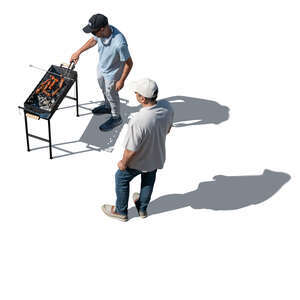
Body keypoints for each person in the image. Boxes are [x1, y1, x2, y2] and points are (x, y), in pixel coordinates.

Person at [102, 78, 174, 221]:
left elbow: (131, 149)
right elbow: (168, 130)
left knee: (121, 178)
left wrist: (123, 163)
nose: (135, 94)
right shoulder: (167, 107)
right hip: (156, 156)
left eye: (136, 93)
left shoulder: (139, 119)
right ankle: (142, 208)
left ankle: (121, 211)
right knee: (148, 178)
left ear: (142, 98)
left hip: (138, 161)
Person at [70, 14, 133, 131]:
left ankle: (116, 117)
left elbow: (129, 63)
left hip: (113, 73)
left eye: (93, 32)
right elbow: (93, 41)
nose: (92, 34)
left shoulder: (119, 43)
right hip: (102, 67)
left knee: (111, 93)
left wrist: (121, 81)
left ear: (102, 29)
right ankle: (108, 106)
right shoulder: (100, 33)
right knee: (103, 87)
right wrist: (78, 52)